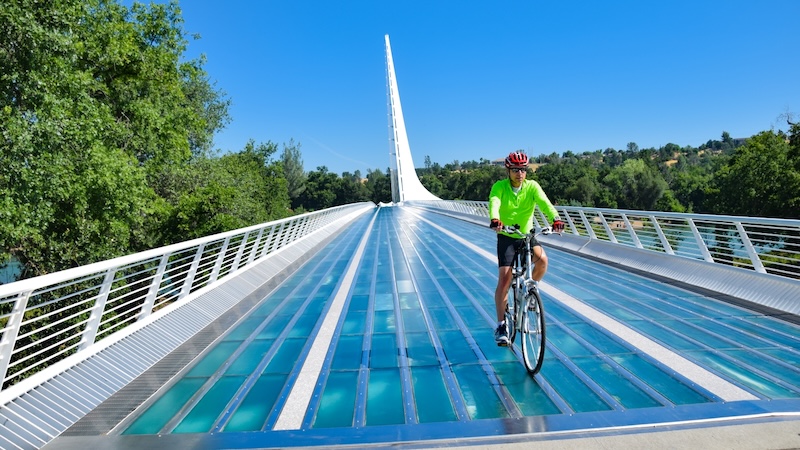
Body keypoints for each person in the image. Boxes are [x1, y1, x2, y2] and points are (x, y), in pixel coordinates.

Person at [488, 151, 564, 346]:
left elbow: (545, 203)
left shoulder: (532, 187)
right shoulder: (500, 187)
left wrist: (555, 219)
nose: (519, 174)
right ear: (508, 170)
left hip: (526, 236)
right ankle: (501, 325)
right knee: (505, 279)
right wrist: (495, 219)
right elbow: (494, 202)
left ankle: (531, 290)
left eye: (522, 170)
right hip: (507, 237)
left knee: (543, 261)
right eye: (515, 170)